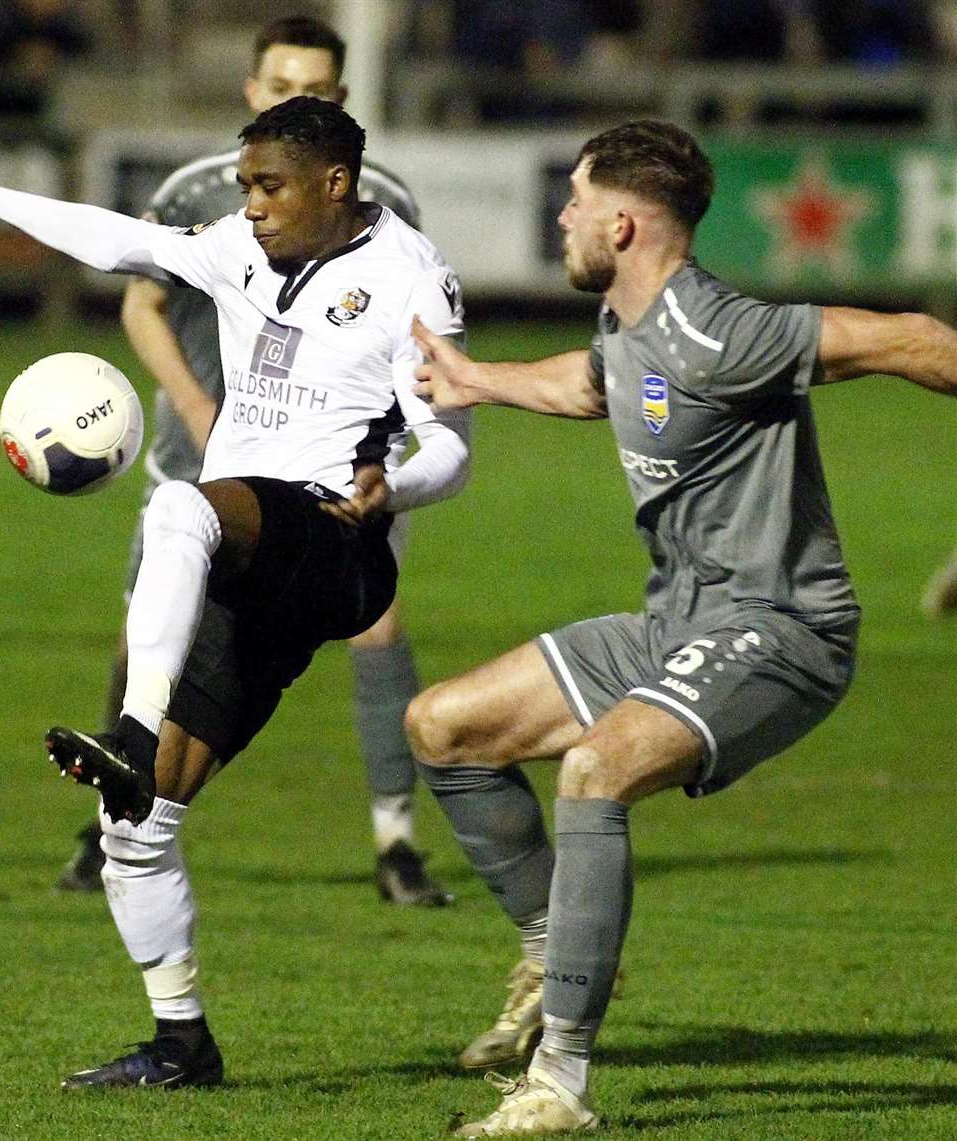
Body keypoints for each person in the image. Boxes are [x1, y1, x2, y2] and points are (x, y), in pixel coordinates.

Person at [404, 119, 957, 1135]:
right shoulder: (629, 328)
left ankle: (559, 1081)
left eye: (573, 198)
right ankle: (558, 945)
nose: (561, 214)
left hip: (782, 628)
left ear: (620, 221)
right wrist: (478, 380)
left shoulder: (723, 330)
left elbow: (917, 341)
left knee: (594, 770)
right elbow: (596, 383)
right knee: (443, 726)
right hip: (680, 623)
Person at [0, 96, 469, 1090]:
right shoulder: (235, 248)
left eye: (269, 186)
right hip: (244, 564)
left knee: (176, 510)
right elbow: (119, 239)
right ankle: (182, 1042)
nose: (250, 205)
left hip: (332, 541)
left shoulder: (412, 281)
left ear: (334, 184)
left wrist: (395, 485)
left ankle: (128, 732)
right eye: (245, 185)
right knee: (139, 832)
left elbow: (453, 452)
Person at [55, 14, 452, 907]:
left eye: (316, 88)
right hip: (192, 455)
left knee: (378, 630)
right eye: (281, 85)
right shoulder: (205, 190)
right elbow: (141, 306)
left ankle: (396, 840)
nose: (297, 99)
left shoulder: (389, 210)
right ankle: (110, 812)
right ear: (251, 89)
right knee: (146, 630)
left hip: (330, 467)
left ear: (342, 102)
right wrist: (199, 409)